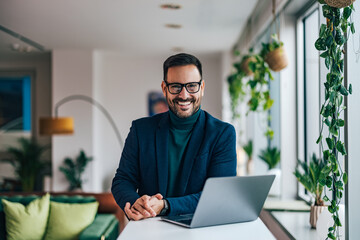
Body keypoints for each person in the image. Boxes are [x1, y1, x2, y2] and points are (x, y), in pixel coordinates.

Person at [111, 53, 236, 221]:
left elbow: (220, 194)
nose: (184, 95)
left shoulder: (222, 134)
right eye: (176, 86)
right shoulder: (140, 130)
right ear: (164, 88)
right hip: (149, 226)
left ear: (202, 87)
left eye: (192, 86)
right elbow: (122, 180)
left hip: (200, 227)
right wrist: (136, 202)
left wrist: (165, 205)